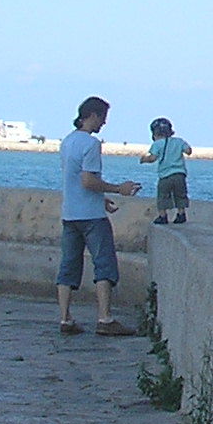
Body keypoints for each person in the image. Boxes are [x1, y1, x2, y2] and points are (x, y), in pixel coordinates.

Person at [57, 97, 138, 336]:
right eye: (102, 118)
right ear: (92, 115)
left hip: (70, 213)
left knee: (69, 265)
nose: (103, 123)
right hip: (91, 217)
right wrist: (118, 189)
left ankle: (65, 319)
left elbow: (74, 182)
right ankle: (105, 318)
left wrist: (100, 199)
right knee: (104, 264)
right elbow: (88, 180)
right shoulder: (91, 144)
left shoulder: (67, 142)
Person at [147, 117, 192, 225]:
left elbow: (152, 158)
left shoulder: (157, 144)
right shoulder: (179, 141)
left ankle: (163, 216)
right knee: (180, 194)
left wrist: (144, 159)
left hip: (165, 176)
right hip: (179, 174)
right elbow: (188, 151)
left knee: (162, 196)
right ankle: (181, 214)